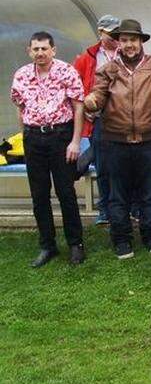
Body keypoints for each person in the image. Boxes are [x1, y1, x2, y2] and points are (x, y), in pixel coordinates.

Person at [83, 19, 151, 259]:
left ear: (141, 41)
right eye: (124, 40)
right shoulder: (108, 69)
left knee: (150, 192)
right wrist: (92, 101)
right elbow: (99, 93)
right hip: (115, 142)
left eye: (133, 40)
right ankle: (121, 238)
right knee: (118, 194)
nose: (129, 45)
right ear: (118, 43)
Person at [10, 31, 86, 267]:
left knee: (66, 192)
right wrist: (24, 136)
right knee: (39, 194)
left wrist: (75, 141)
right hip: (34, 138)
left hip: (60, 136)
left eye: (44, 48)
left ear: (53, 50)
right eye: (36, 49)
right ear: (29, 51)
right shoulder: (22, 75)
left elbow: (78, 107)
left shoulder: (66, 71)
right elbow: (20, 107)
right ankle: (47, 245)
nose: (40, 53)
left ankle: (76, 244)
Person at [74, 14, 121, 224]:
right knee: (104, 166)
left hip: (124, 118)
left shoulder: (128, 52)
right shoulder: (87, 57)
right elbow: (75, 85)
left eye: (117, 33)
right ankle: (105, 210)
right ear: (100, 33)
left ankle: (128, 206)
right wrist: (85, 106)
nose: (116, 38)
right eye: (111, 34)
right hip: (99, 118)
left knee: (126, 164)